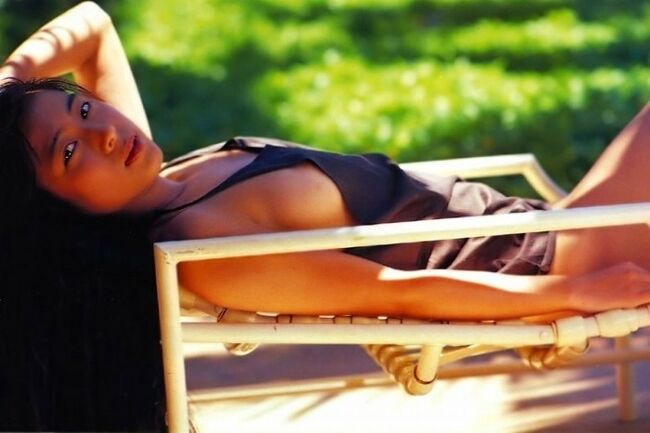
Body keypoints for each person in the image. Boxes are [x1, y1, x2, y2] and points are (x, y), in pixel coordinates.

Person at [2, 2, 650, 430]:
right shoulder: (201, 244)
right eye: (68, 153)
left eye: (82, 108)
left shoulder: (161, 179)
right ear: (57, 213)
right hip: (554, 255)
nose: (103, 131)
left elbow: (93, 26)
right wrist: (574, 294)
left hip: (544, 224)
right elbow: (397, 292)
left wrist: (7, 86)